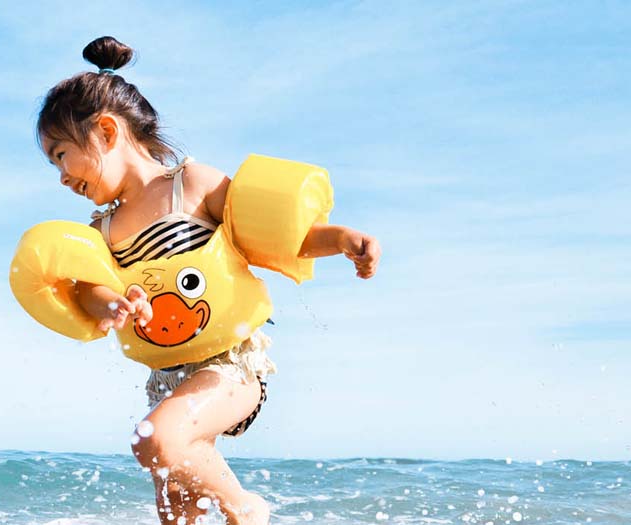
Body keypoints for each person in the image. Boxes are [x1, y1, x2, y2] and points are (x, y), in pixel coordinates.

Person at [35, 36, 381, 525]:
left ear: (106, 132)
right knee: (175, 512)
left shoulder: (192, 186)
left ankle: (247, 509)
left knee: (153, 439)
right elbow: (92, 289)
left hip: (231, 366)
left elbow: (277, 235)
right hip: (166, 379)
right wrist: (111, 304)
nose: (62, 177)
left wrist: (342, 238)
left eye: (61, 154)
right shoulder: (102, 230)